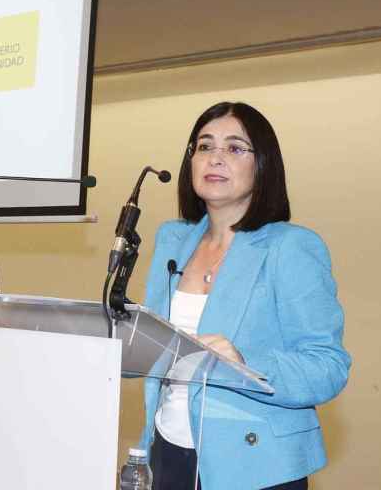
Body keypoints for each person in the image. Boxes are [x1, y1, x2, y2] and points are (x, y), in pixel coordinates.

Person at [139, 102, 351, 490]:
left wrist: (244, 364)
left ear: (263, 164)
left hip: (256, 465)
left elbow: (328, 366)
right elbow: (153, 346)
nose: (215, 157)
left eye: (235, 148)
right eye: (205, 146)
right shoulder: (173, 241)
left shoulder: (290, 248)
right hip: (168, 452)